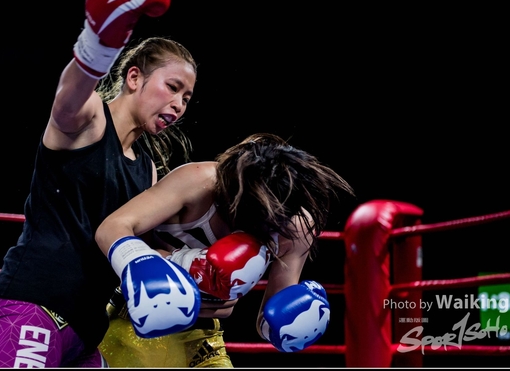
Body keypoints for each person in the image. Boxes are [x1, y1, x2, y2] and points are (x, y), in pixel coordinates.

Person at [0, 0, 200, 368]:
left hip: (87, 334)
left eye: (187, 97)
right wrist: (102, 40)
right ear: (134, 77)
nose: (178, 104)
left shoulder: (147, 170)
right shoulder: (89, 121)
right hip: (36, 305)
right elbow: (68, 98)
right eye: (172, 87)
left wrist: (198, 268)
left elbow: (143, 248)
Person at [96, 133, 356, 367]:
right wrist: (177, 263)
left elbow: (272, 317)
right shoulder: (199, 182)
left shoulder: (295, 227)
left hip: (203, 335)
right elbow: (113, 227)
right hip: (133, 319)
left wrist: (294, 322)